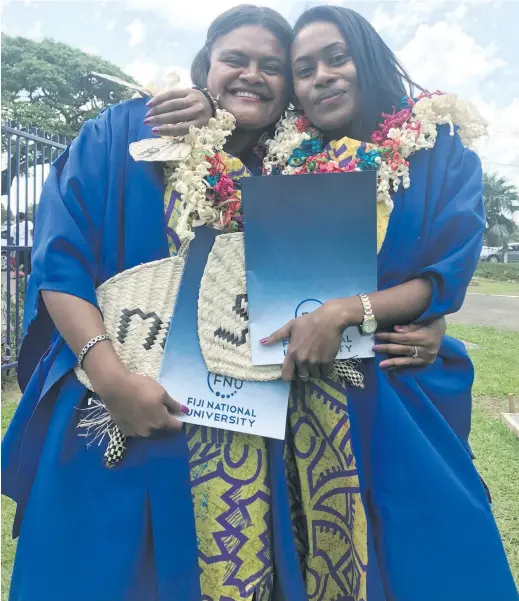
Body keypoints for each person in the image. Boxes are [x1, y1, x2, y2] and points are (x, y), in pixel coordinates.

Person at [0, 8, 476, 601]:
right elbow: (59, 260)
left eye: (274, 67)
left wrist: (427, 314)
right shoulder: (123, 133)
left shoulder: (290, 169)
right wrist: (113, 378)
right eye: (235, 60)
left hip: (244, 427)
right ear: (205, 68)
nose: (253, 75)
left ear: (288, 95)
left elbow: (370, 265)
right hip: (114, 402)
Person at [145, 5, 518, 601]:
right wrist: (200, 101)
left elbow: (445, 269)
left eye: (336, 58)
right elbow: (227, 137)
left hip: (400, 381)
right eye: (304, 68)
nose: (322, 76)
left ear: (365, 58)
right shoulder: (283, 159)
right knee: (321, 555)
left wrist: (357, 312)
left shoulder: (436, 148)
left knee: (430, 544)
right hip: (304, 396)